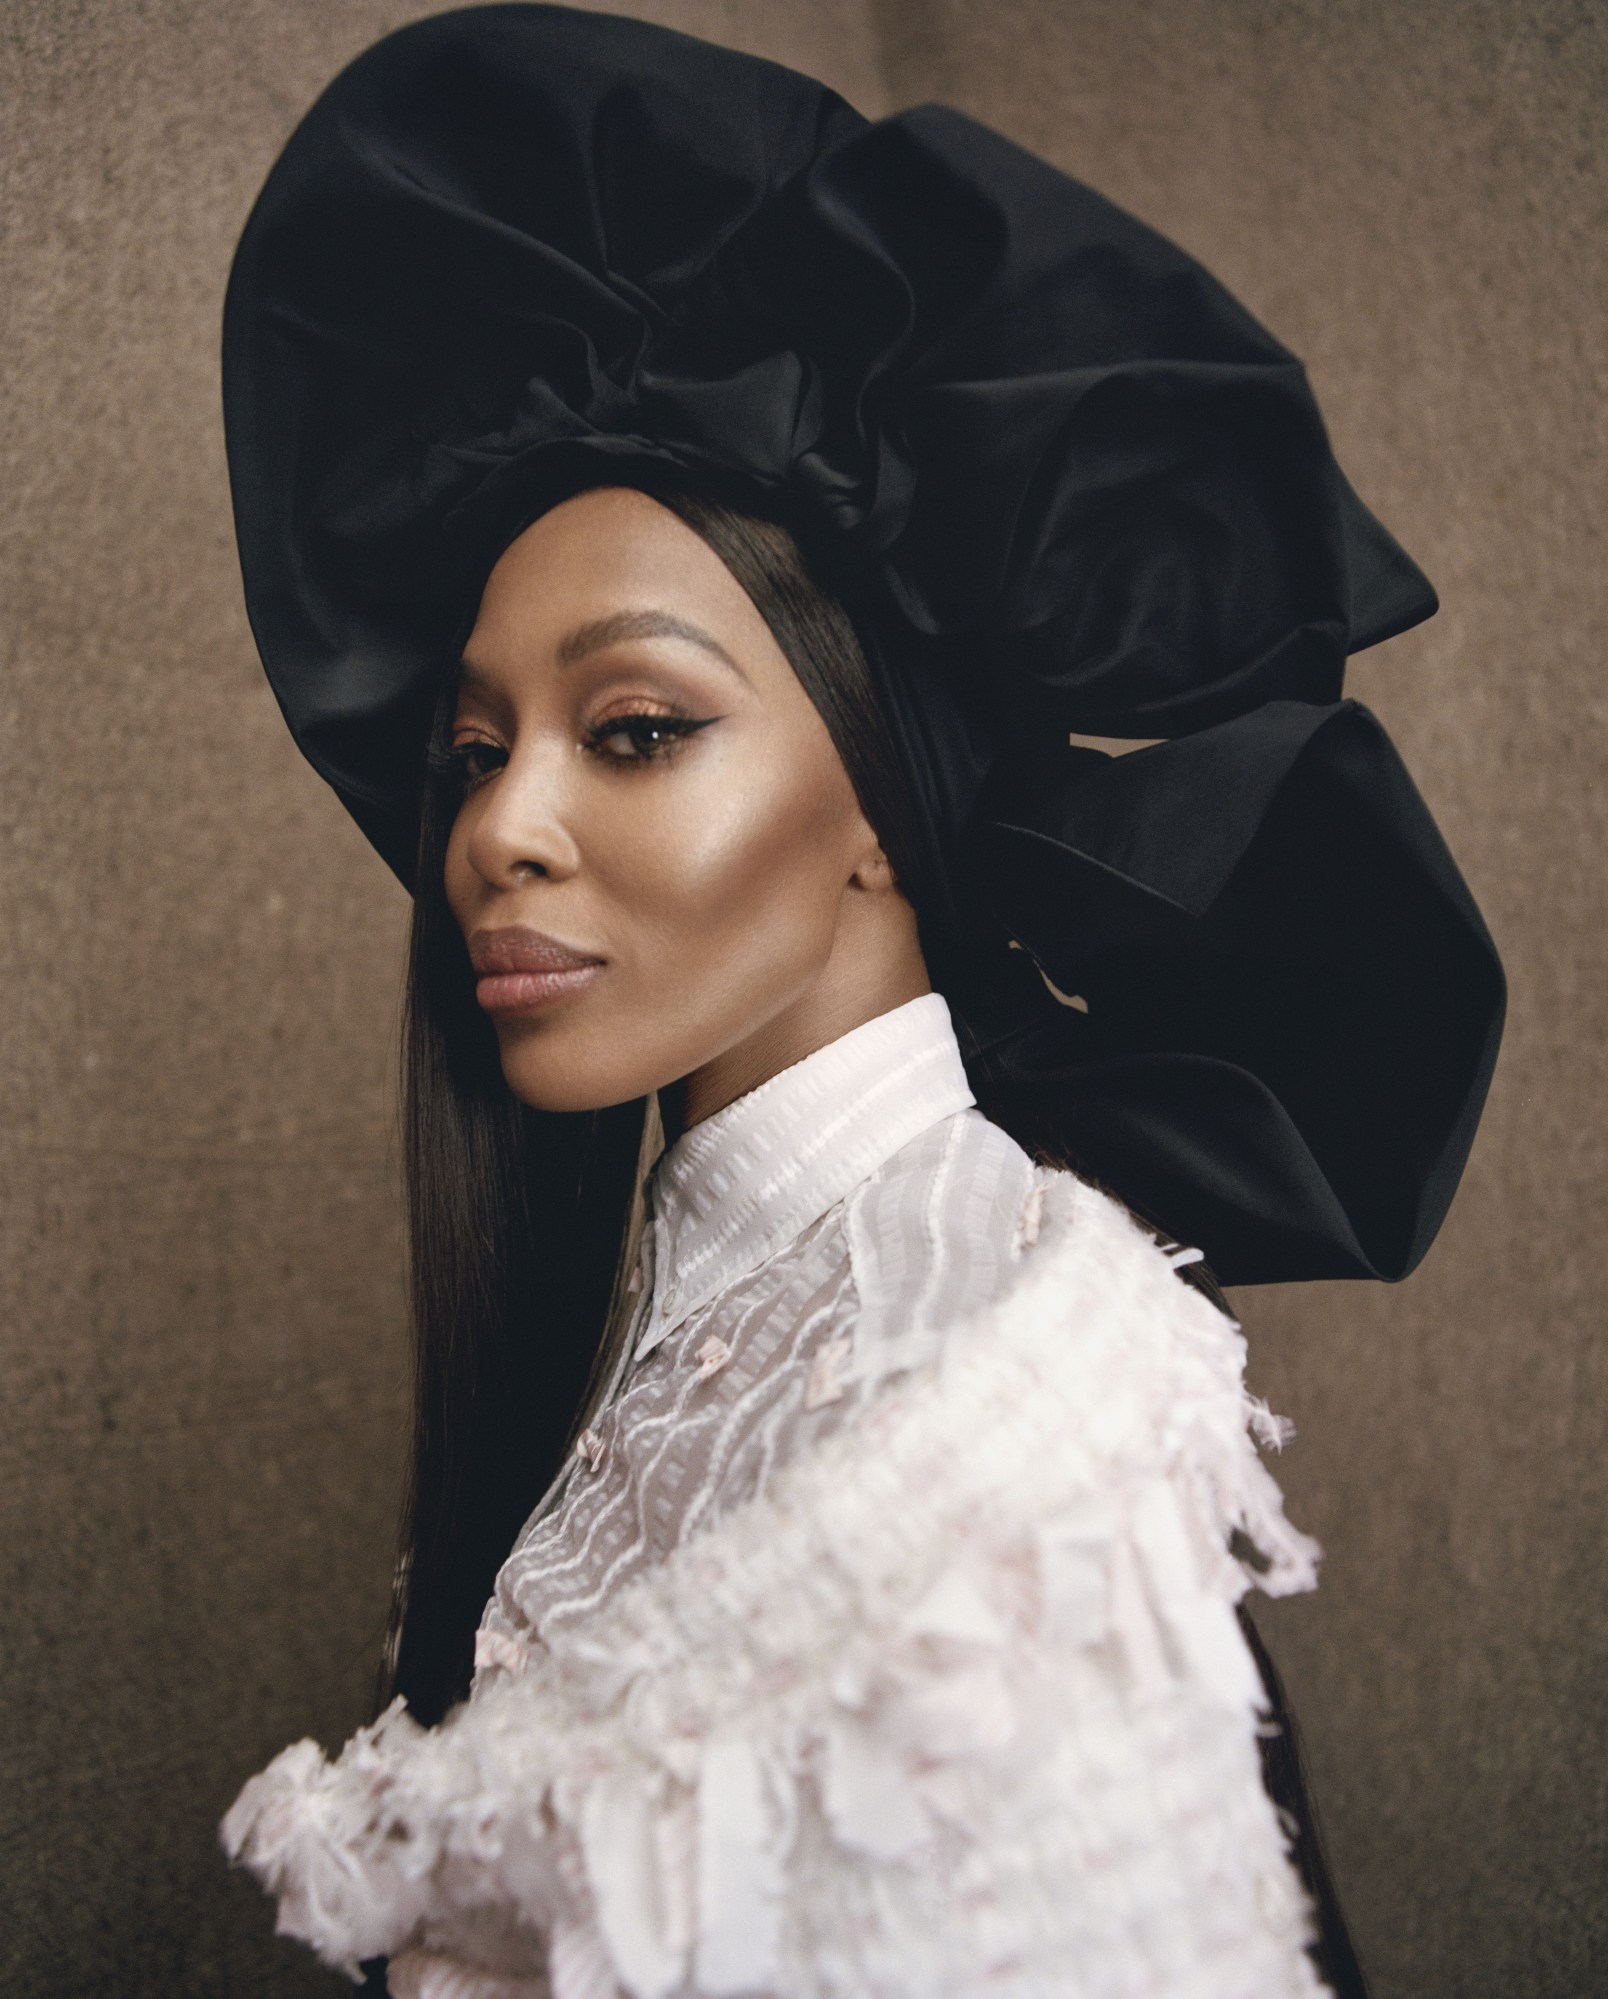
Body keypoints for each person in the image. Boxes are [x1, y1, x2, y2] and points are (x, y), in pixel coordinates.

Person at [215, 10, 1505, 1997]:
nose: (500, 829)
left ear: (886, 814)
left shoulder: (983, 1387)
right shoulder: (731, 1304)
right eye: (474, 749)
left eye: (633, 728)